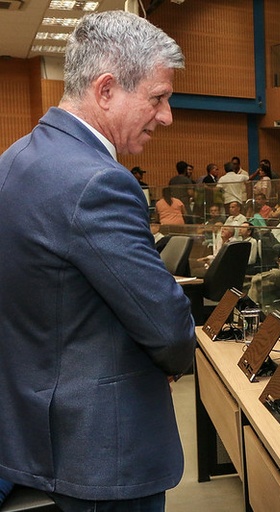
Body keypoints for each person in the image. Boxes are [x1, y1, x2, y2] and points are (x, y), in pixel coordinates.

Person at [0, 11, 195, 511]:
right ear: (106, 90)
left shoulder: (13, 160)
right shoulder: (98, 182)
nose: (167, 115)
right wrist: (171, 359)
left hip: (31, 432)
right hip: (102, 455)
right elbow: (167, 326)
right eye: (157, 97)